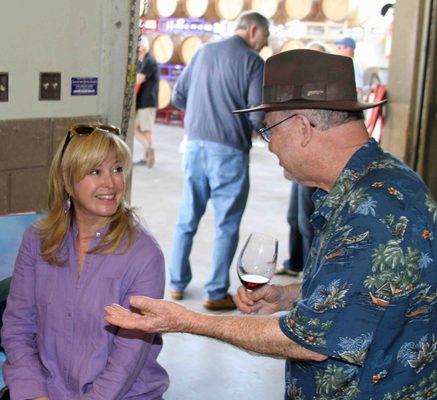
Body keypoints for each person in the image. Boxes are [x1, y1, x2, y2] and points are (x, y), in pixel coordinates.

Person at [104, 50, 436, 399]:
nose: (270, 144)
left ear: (303, 128)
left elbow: (309, 342)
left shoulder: (375, 209)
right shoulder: (368, 185)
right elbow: (372, 291)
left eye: (269, 130)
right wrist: (287, 295)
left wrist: (186, 321)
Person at [1, 124, 169, 399]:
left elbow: (126, 361)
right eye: (95, 171)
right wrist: (36, 393)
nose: (111, 183)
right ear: (68, 181)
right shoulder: (37, 240)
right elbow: (18, 326)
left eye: (117, 169)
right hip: (46, 391)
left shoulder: (144, 254)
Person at [169, 11, 269, 310]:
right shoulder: (253, 62)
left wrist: (202, 117)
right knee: (226, 225)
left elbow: (178, 96)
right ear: (252, 30)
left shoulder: (203, 52)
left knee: (187, 218)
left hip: (195, 148)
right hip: (229, 152)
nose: (265, 43)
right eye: (264, 37)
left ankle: (175, 284)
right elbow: (256, 113)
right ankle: (214, 292)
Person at [276, 41, 328, 277]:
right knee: (294, 218)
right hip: (300, 163)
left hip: (315, 164)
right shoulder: (303, 87)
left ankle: (310, 274)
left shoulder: (325, 91)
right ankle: (295, 263)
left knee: (309, 221)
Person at [135, 36, 159, 167]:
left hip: (147, 101)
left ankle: (148, 154)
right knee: (135, 127)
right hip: (142, 102)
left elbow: (139, 79)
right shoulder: (143, 61)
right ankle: (147, 150)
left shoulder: (149, 61)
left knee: (146, 129)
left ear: (142, 48)